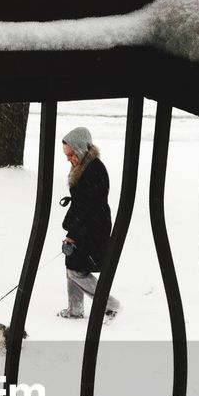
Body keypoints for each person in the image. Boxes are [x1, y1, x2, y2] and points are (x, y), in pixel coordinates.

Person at [57, 126, 120, 321]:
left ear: (80, 149)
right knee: (72, 265)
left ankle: (110, 305)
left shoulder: (94, 170)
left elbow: (89, 208)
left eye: (70, 154)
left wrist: (73, 234)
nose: (67, 158)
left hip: (93, 228)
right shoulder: (83, 166)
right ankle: (75, 310)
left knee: (77, 269)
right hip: (85, 224)